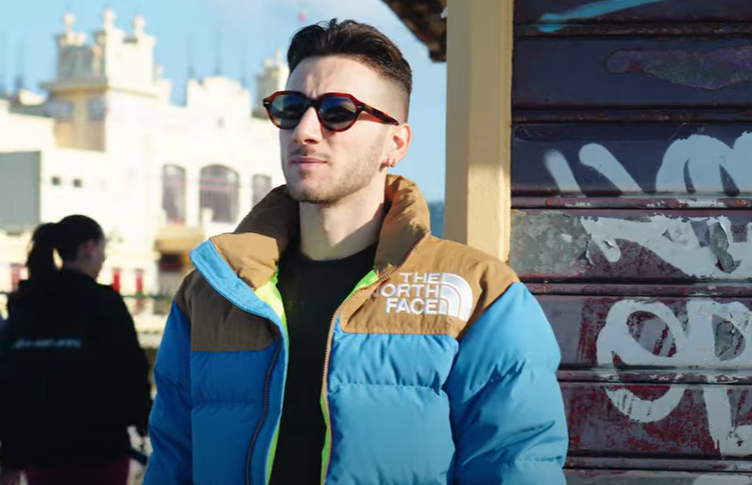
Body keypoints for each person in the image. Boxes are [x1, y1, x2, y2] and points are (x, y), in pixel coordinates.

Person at [144, 19, 568, 485]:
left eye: (338, 111)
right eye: (291, 108)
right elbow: (171, 462)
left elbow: (514, 466)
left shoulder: (479, 293)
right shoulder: (210, 292)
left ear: (395, 144)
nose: (305, 130)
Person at [0, 215, 152, 485]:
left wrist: (11, 456)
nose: (104, 258)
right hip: (100, 452)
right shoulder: (104, 304)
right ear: (89, 248)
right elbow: (129, 373)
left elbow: (12, 383)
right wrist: (144, 423)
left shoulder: (27, 304)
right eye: (103, 249)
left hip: (41, 454)